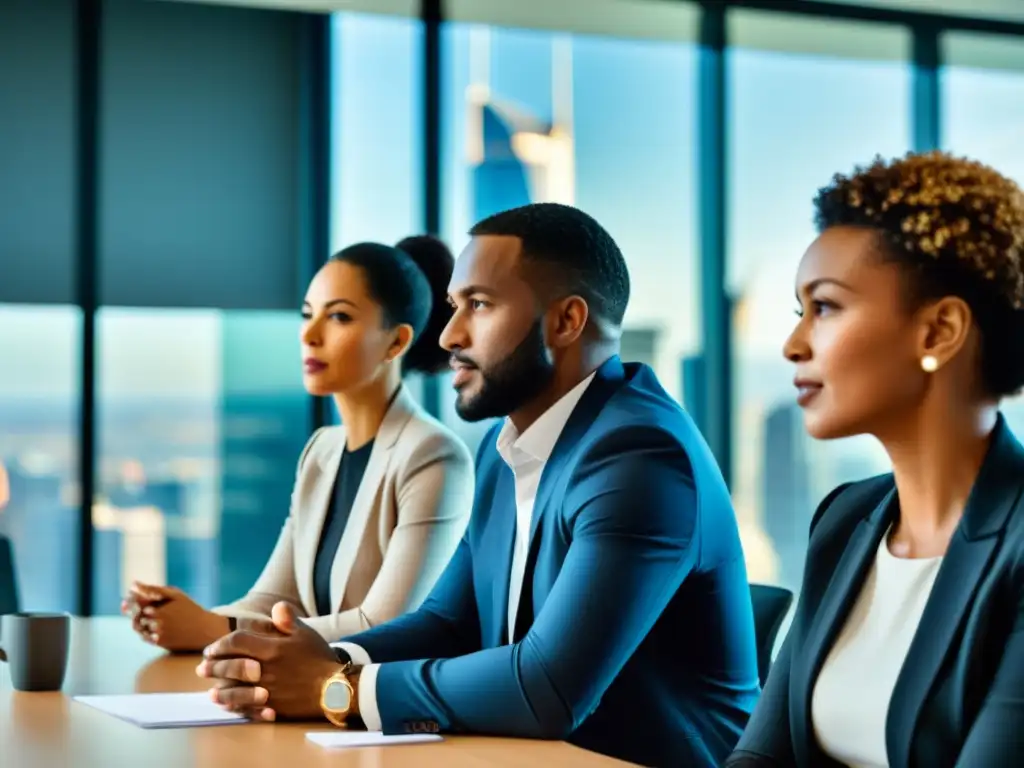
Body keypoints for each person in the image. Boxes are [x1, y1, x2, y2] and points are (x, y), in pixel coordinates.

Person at [197, 202, 760, 767]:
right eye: (452, 307)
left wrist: (334, 687)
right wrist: (317, 655)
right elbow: (448, 622)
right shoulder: (506, 447)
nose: (447, 336)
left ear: (566, 322)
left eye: (479, 306)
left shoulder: (639, 455)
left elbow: (548, 687)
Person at [727, 151, 1024, 768]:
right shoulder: (846, 518)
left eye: (826, 307)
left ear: (939, 331)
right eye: (797, 312)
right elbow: (761, 757)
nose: (792, 344)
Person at [123, 236, 474, 651]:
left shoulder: (433, 455)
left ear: (396, 342)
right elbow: (275, 599)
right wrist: (190, 618)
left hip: (376, 705)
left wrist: (210, 631)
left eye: (339, 317)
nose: (309, 334)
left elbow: (387, 623)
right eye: (308, 315)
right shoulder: (321, 451)